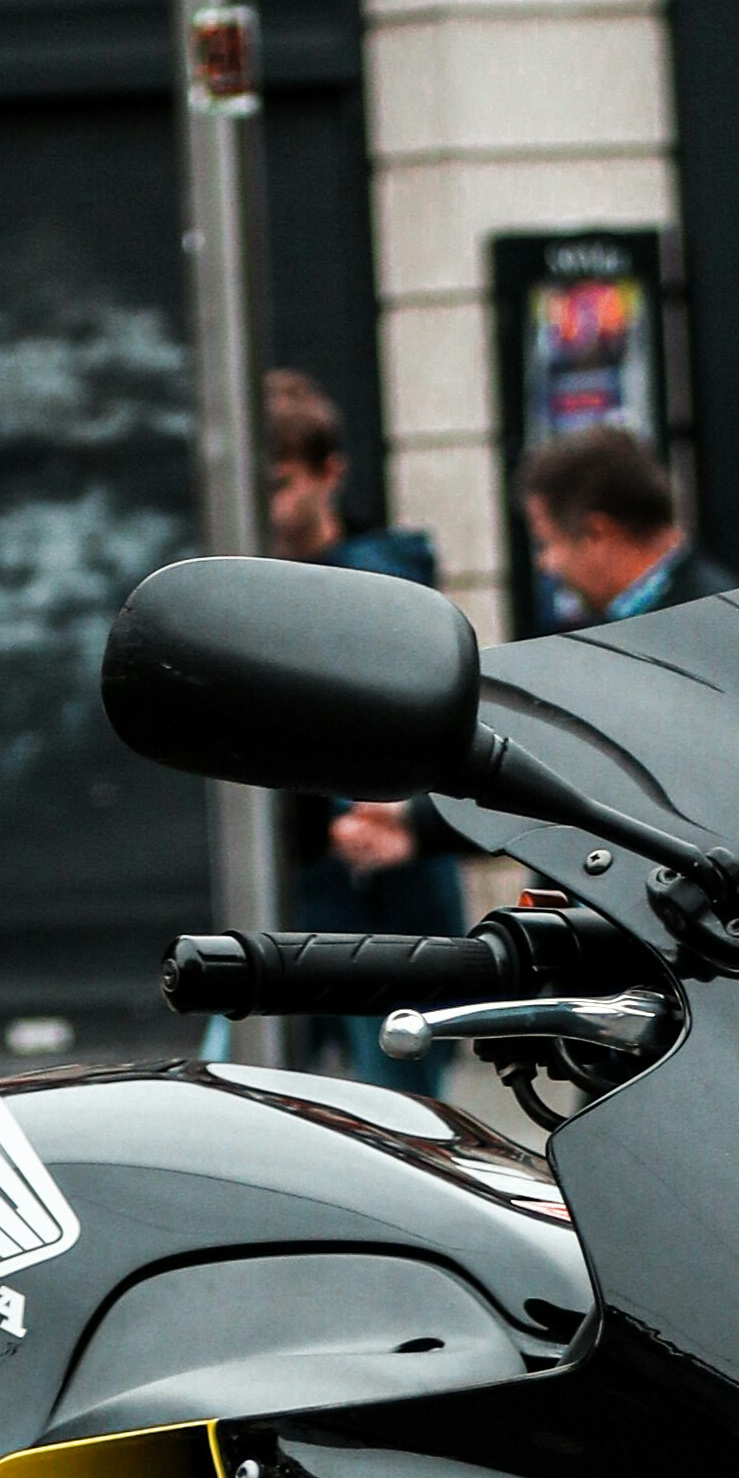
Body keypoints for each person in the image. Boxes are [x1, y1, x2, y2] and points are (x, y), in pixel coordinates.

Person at [263, 366, 460, 1078]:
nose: (270, 508)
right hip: (295, 890)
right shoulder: (245, 582)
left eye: (282, 485)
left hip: (384, 897)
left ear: (329, 475)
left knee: (402, 1106)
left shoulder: (386, 581)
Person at [519, 429, 734, 626]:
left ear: (596, 533)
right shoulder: (715, 606)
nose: (544, 564)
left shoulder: (702, 627)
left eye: (547, 542)